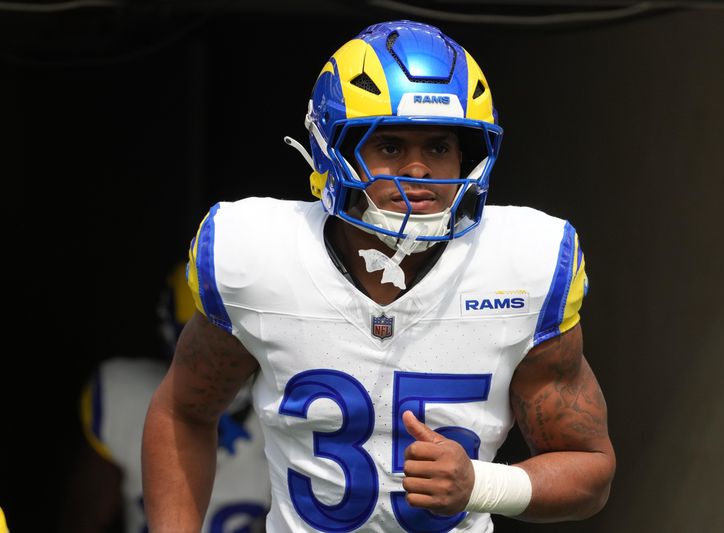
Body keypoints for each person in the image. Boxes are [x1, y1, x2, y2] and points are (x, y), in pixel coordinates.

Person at [142, 19, 615, 532]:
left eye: (438, 148)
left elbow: (589, 468)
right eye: (390, 146)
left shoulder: (522, 265)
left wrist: (483, 485)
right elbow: (183, 414)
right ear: (334, 150)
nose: (417, 170)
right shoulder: (259, 256)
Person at [60, 263, 270, 533]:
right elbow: (85, 518)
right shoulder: (125, 399)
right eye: (207, 343)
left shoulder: (287, 408)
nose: (222, 362)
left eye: (237, 341)